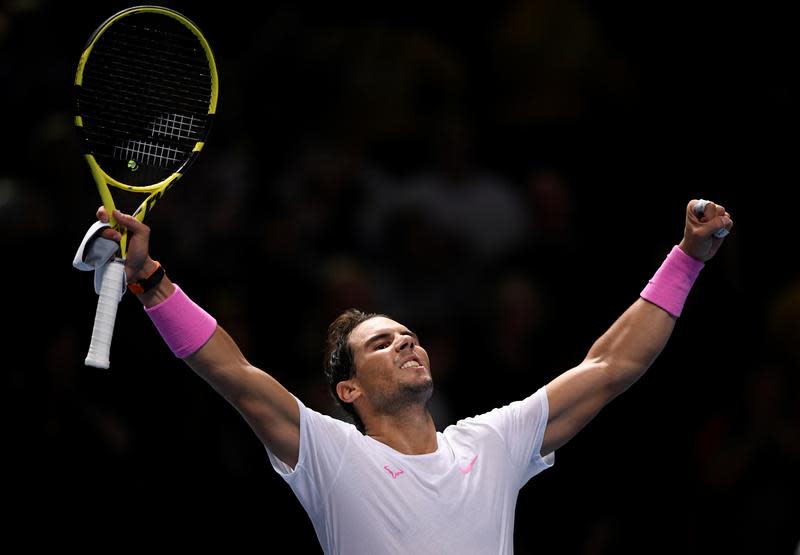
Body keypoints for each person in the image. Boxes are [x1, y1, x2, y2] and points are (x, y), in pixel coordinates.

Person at [92, 199, 733, 554]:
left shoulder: (490, 443)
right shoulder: (329, 453)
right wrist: (150, 281)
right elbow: (230, 371)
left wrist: (686, 260)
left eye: (410, 335)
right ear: (348, 389)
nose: (406, 340)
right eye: (381, 342)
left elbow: (611, 366)